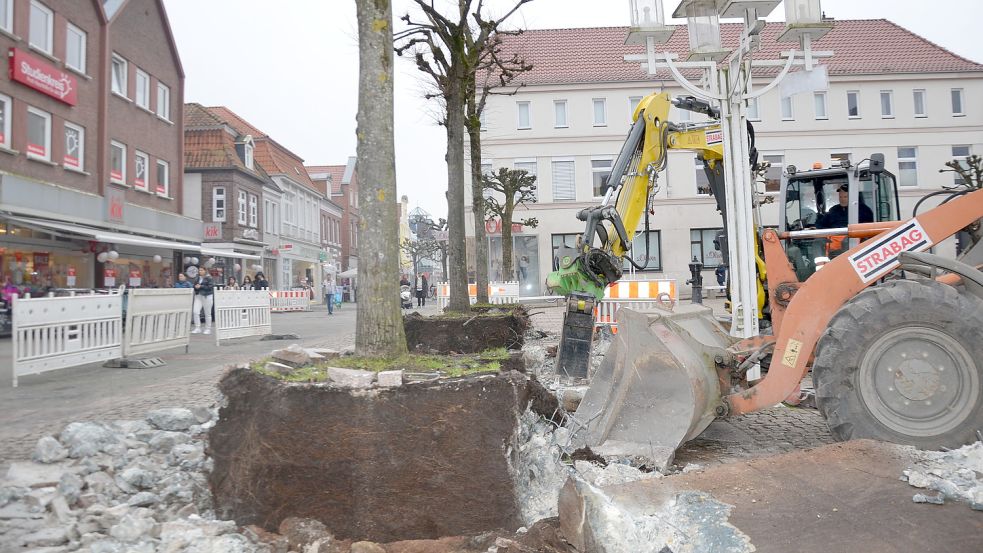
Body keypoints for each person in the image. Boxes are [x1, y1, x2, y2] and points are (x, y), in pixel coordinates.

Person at [191, 267, 215, 334]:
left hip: (207, 296)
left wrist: (201, 286)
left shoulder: (209, 278)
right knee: (195, 311)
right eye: (199, 270)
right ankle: (197, 327)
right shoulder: (197, 277)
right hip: (198, 296)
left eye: (201, 270)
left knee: (207, 313)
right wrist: (195, 286)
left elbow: (210, 287)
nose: (200, 271)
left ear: (205, 270)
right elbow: (194, 285)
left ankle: (208, 328)